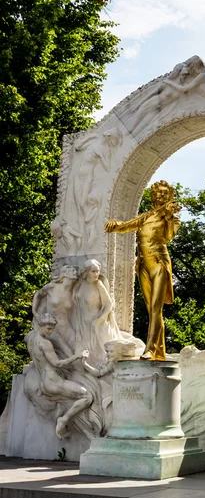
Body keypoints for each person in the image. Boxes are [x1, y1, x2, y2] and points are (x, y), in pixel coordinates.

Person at [105, 180, 180, 361]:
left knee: (155, 309)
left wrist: (169, 217)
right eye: (158, 192)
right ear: (153, 195)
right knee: (151, 310)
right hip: (143, 265)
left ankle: (150, 349)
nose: (160, 195)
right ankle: (159, 353)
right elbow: (129, 224)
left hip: (159, 263)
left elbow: (169, 236)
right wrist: (115, 225)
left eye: (164, 193)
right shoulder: (146, 216)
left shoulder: (171, 217)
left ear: (169, 197)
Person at [25, 315, 92, 439]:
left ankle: (66, 420)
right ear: (41, 326)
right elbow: (57, 363)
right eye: (48, 328)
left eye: (52, 329)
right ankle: (63, 420)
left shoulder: (31, 339)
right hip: (53, 382)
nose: (50, 332)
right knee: (87, 396)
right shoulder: (45, 344)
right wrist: (78, 356)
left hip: (44, 383)